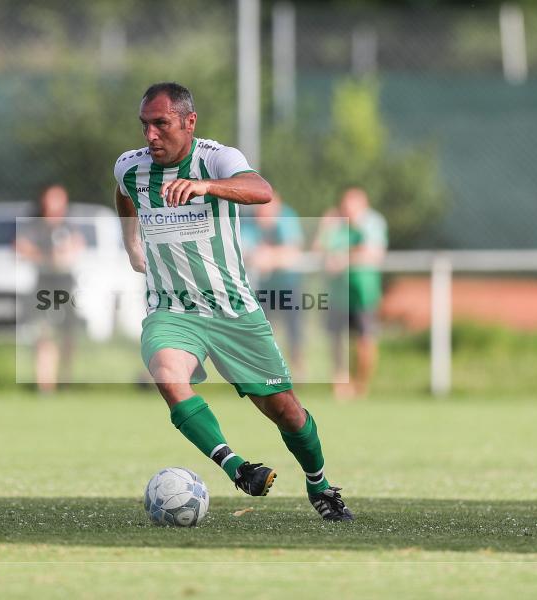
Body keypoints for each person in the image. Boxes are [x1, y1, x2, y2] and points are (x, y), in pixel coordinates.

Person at [113, 82, 353, 522]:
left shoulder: (217, 158)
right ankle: (236, 467)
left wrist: (205, 187)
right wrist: (133, 246)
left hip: (233, 311)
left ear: (189, 122)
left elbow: (260, 190)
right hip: (172, 310)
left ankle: (320, 485)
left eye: (161, 125)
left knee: (288, 413)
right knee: (167, 374)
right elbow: (125, 196)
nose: (150, 136)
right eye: (145, 125)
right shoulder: (130, 167)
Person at [314, 186, 388, 398]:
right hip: (337, 293)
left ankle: (361, 386)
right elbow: (320, 249)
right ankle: (340, 384)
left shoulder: (372, 223)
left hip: (363, 294)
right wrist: (324, 227)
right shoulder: (335, 224)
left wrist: (342, 259)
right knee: (335, 340)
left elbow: (373, 253)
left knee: (365, 340)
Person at [15, 184, 85, 393]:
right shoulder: (35, 227)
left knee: (67, 336)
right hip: (44, 285)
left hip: (66, 285)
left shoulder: (68, 227)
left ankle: (66, 381)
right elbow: (21, 246)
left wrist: (66, 255)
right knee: (43, 335)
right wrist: (47, 258)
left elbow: (77, 247)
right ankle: (45, 386)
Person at [240, 193, 305, 380]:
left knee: (294, 333)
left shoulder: (287, 217)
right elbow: (243, 250)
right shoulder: (249, 221)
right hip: (261, 289)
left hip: (289, 286)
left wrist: (270, 256)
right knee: (260, 333)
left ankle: (298, 373)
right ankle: (263, 373)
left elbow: (293, 252)